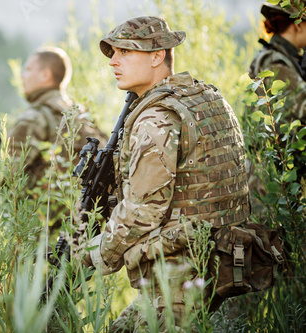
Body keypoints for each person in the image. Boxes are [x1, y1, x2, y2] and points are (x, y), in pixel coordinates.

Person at [81, 16, 251, 331]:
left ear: (158, 56)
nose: (113, 62)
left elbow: (144, 211)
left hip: (180, 271)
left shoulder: (156, 118)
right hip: (222, 258)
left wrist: (86, 255)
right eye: (112, 53)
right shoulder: (206, 98)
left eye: (126, 52)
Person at [0, 47, 107, 228]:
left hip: (42, 227)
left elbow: (3, 176)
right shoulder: (81, 115)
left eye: (28, 70)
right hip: (83, 225)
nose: (22, 76)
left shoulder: (34, 117)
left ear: (45, 75)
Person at [246, 2, 306, 214]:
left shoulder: (287, 58)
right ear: (297, 25)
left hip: (281, 172)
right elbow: (303, 106)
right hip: (271, 178)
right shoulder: (273, 61)